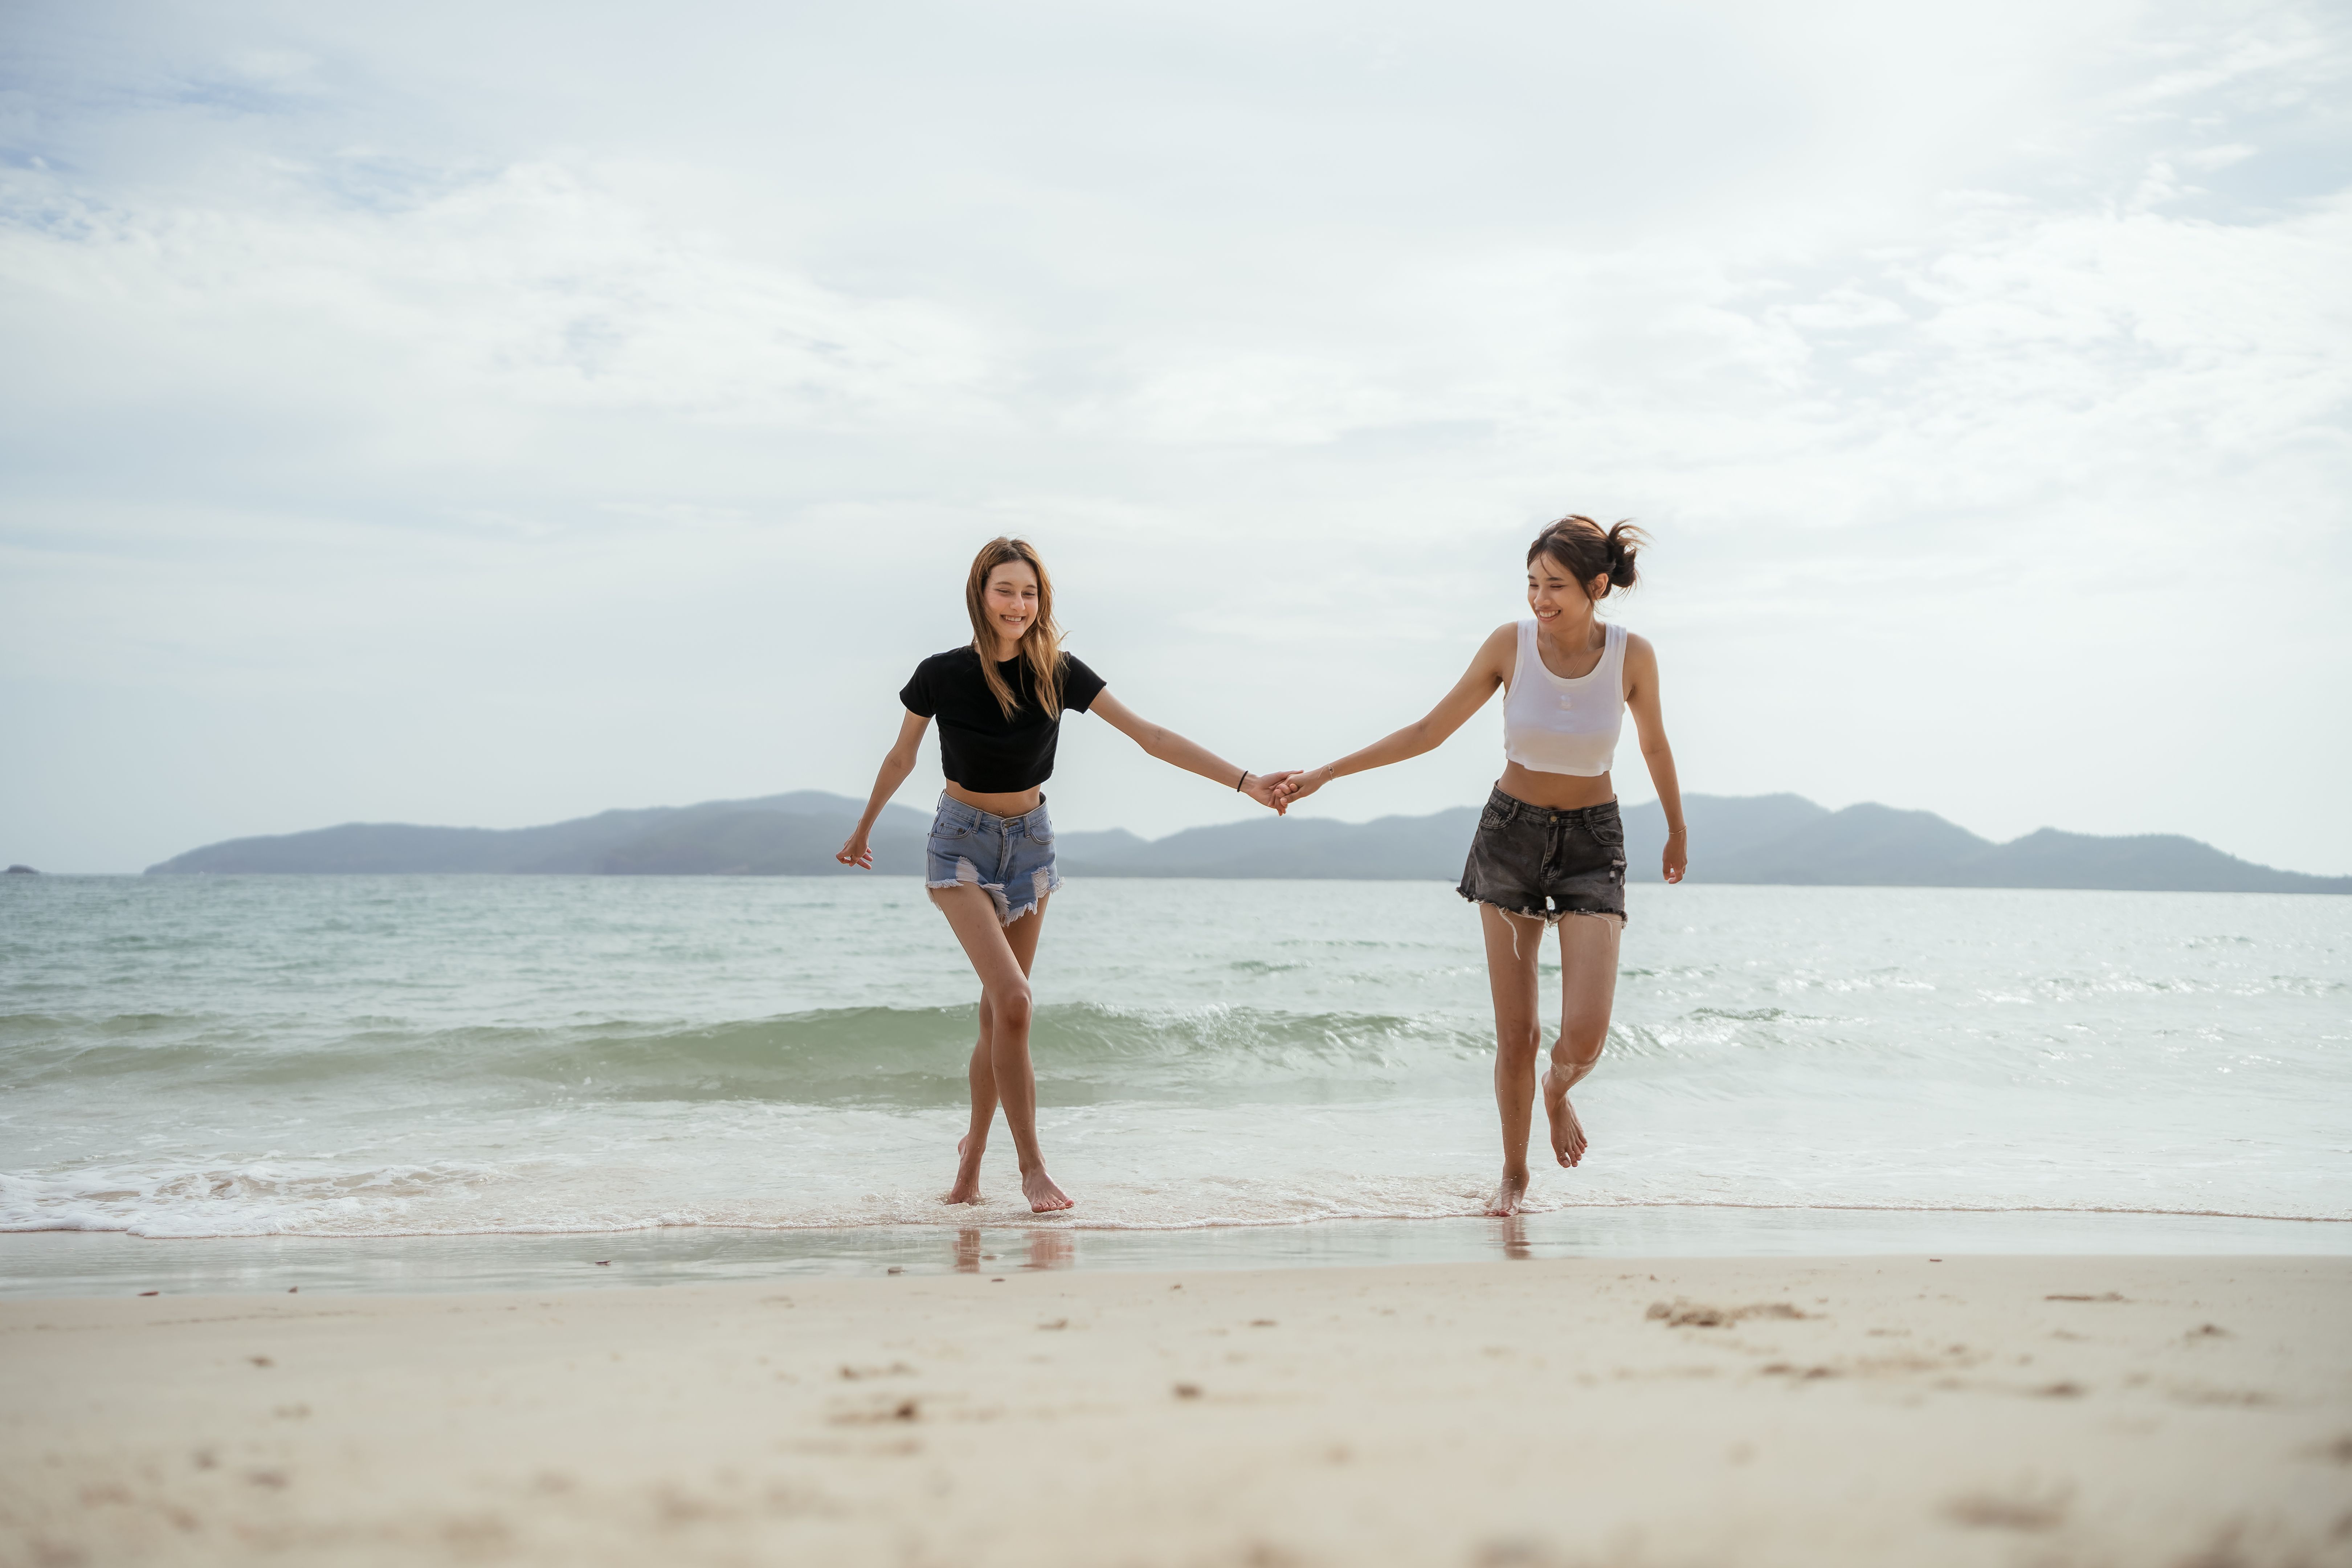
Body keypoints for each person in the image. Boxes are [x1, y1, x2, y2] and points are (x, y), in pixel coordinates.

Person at [837, 536, 1291, 1213]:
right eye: (1004, 591)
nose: (1018, 604)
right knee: (1016, 1001)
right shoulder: (940, 674)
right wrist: (864, 827)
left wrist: (1247, 781)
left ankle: (972, 1159)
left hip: (1031, 848)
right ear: (979, 596)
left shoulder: (1060, 671)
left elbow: (1151, 736)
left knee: (999, 1017)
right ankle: (1033, 1171)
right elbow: (902, 757)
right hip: (958, 844)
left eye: (1029, 592)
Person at [1274, 516, 1687, 1216]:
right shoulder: (1509, 645)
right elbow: (1429, 731)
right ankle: (1514, 1177)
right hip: (1511, 835)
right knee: (1517, 1033)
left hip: (1594, 841)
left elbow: (1653, 748)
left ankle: (1559, 1091)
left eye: (1555, 585)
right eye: (1531, 584)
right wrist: (1326, 774)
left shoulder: (1632, 656)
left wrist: (1677, 829)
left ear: (1597, 586)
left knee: (1584, 1034)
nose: (1540, 599)